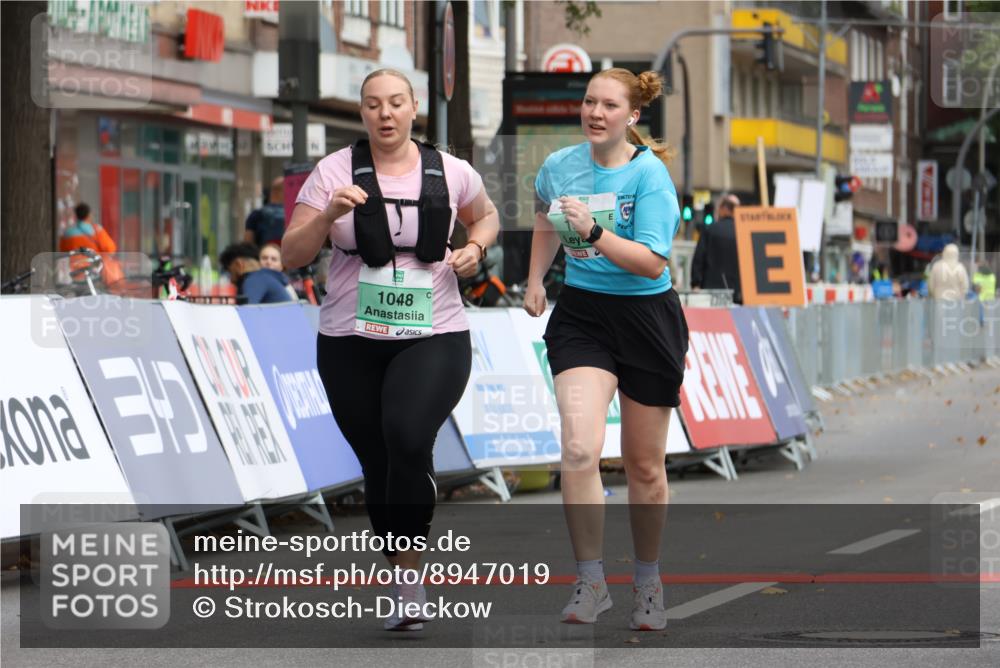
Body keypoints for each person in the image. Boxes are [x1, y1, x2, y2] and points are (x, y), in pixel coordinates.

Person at [281, 68, 500, 632]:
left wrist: (475, 246)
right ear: (363, 113)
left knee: (406, 435)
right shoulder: (332, 172)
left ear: (413, 108)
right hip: (350, 338)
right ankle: (402, 573)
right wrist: (330, 214)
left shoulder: (451, 171)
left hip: (435, 333)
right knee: (378, 461)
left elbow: (487, 215)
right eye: (374, 104)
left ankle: (411, 580)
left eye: (396, 103)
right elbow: (291, 254)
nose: (385, 114)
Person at [523, 68, 687, 631]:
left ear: (632, 116)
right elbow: (547, 221)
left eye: (609, 105)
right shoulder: (559, 166)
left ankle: (647, 581)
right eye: (589, 101)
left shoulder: (650, 177)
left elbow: (651, 262)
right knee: (578, 448)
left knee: (644, 465)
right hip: (583, 317)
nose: (595, 112)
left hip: (646, 318)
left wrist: (593, 233)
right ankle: (591, 580)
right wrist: (536, 279)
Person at [690, 193, 742, 303]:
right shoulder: (743, 234)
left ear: (723, 209)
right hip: (738, 293)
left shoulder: (709, 230)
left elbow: (699, 259)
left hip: (711, 293)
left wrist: (696, 283)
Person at [59, 202, 123, 286]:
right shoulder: (96, 230)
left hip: (75, 272)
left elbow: (63, 252)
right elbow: (110, 249)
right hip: (94, 271)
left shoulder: (67, 233)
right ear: (89, 215)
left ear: (76, 215)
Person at [219, 242, 295, 304]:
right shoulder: (266, 278)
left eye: (229, 271)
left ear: (239, 264)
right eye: (264, 258)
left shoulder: (255, 280)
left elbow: (247, 312)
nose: (231, 279)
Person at [244, 177, 286, 247]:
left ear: (272, 191)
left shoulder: (256, 214)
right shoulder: (293, 213)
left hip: (264, 255)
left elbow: (247, 243)